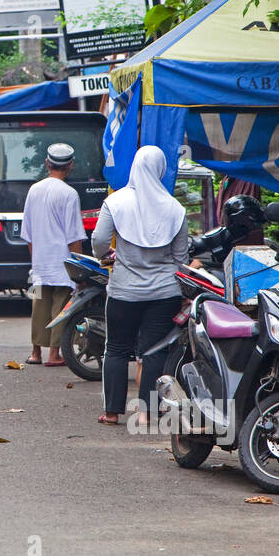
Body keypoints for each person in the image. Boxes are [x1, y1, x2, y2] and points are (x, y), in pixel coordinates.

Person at [92, 145, 191, 426]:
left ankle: (112, 412)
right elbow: (181, 259)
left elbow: (99, 240)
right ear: (161, 169)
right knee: (154, 351)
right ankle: (148, 412)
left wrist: (104, 256)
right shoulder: (176, 209)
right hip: (164, 293)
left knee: (116, 349)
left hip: (124, 291)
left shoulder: (116, 202)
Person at [22, 143, 86, 366]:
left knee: (39, 305)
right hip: (63, 262)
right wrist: (79, 269)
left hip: (40, 260)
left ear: (47, 163)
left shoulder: (34, 190)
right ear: (70, 166)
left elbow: (28, 233)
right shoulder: (69, 194)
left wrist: (35, 260)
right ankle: (54, 355)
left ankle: (36, 353)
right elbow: (74, 237)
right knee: (61, 308)